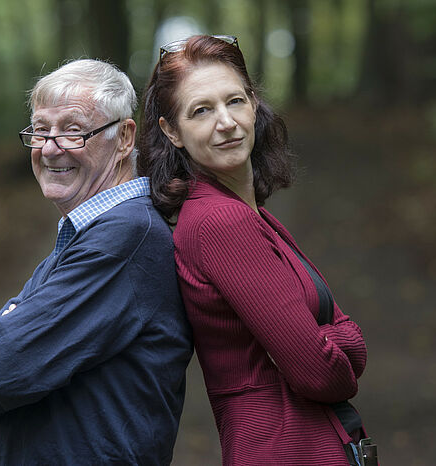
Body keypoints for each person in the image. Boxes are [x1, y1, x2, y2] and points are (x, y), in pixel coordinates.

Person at [137, 35, 372, 466]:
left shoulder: (248, 213)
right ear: (172, 131)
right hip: (285, 449)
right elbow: (321, 372)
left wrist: (329, 340)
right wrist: (345, 342)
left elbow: (323, 342)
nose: (225, 122)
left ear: (254, 105)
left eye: (235, 101)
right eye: (201, 110)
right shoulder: (221, 222)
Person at [0, 59, 193, 466]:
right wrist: (0, 333)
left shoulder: (124, 237)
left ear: (123, 138)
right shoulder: (87, 231)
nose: (49, 148)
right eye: (41, 130)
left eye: (72, 130)